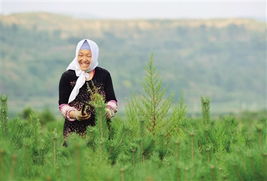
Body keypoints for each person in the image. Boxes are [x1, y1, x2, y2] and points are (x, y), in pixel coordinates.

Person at [58, 39, 118, 144]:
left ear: (94, 56)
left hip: (100, 132)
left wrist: (108, 111)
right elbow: (62, 105)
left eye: (88, 56)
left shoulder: (104, 75)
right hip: (74, 134)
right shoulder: (67, 76)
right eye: (80, 55)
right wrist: (75, 114)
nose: (84, 59)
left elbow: (112, 100)